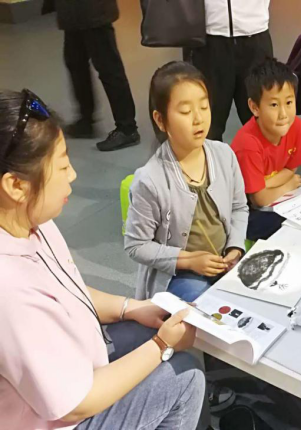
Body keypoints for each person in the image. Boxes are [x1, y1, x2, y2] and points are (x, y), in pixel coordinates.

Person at [0, 89, 204, 430]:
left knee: (151, 328)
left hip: (81, 358)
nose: (73, 175)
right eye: (62, 165)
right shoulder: (9, 293)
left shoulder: (32, 222)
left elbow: (69, 291)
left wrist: (132, 307)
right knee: (186, 377)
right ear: (16, 186)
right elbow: (73, 406)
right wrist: (161, 346)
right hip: (60, 417)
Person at [125, 62, 249, 302]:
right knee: (205, 305)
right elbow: (136, 245)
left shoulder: (224, 155)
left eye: (204, 106)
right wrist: (189, 261)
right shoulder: (150, 179)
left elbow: (239, 207)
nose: (198, 119)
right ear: (160, 120)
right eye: (185, 111)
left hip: (224, 262)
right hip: (180, 274)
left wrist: (235, 247)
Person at [231, 59, 301, 242]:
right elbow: (260, 200)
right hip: (246, 213)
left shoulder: (296, 126)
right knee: (294, 228)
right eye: (274, 105)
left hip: (272, 200)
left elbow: (291, 168)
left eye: (289, 102)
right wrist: (287, 185)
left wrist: (266, 183)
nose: (283, 114)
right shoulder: (247, 144)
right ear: (254, 107)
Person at [54, 0, 140, 152]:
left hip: (93, 11)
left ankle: (127, 128)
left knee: (109, 68)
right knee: (76, 64)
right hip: (72, 12)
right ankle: (85, 120)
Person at [192, 0, 274, 140]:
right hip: (208, 38)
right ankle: (209, 155)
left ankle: (262, 155)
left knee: (261, 120)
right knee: (208, 122)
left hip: (255, 34)